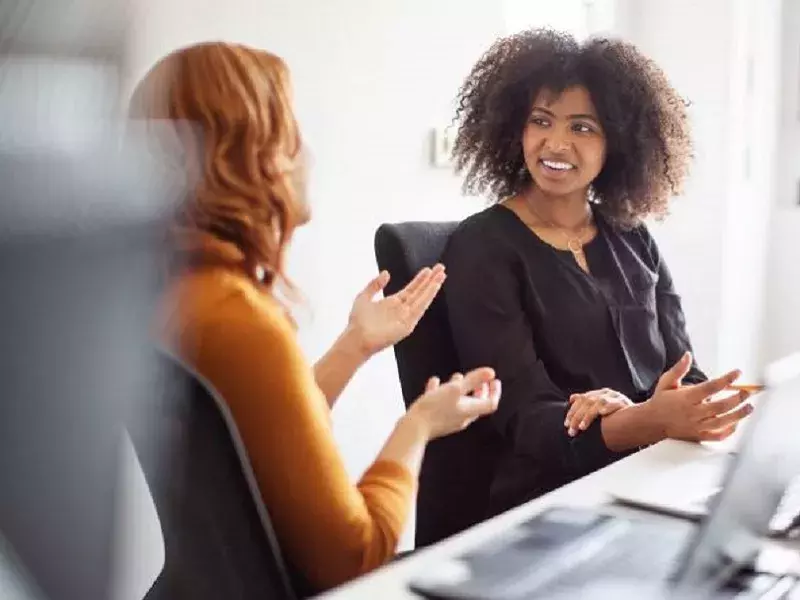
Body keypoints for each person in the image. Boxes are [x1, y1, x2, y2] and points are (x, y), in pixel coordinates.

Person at [128, 42, 502, 593]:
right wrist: (417, 427)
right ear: (238, 157)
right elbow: (357, 559)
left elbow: (251, 441)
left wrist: (355, 345)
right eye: (286, 135)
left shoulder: (174, 293)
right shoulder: (239, 317)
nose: (305, 153)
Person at [442, 29, 753, 518]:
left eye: (582, 127)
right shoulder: (482, 247)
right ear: (515, 130)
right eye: (540, 120)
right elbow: (526, 420)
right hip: (549, 502)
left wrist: (694, 405)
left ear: (618, 143)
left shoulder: (632, 235)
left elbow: (682, 366)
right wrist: (645, 418)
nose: (556, 142)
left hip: (651, 475)